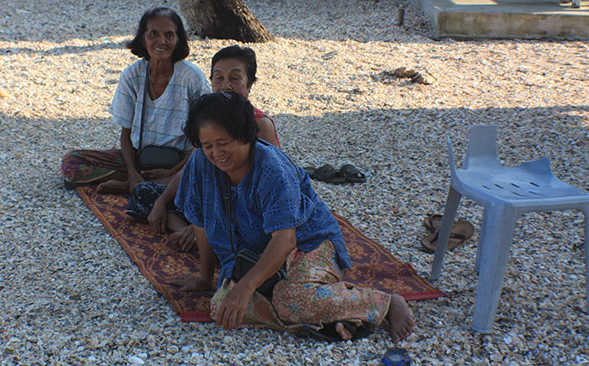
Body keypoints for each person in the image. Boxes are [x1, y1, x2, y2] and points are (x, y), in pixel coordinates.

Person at [173, 92, 414, 342]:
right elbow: (199, 222)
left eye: (223, 143)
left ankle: (385, 303)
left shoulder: (272, 168)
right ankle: (333, 317)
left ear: (244, 135)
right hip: (250, 253)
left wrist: (245, 288)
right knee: (220, 306)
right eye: (208, 145)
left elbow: (285, 240)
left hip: (307, 242)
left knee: (290, 301)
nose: (216, 153)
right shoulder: (200, 162)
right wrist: (205, 278)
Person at [126, 45, 278, 252]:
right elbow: (193, 167)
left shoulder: (260, 125)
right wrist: (162, 202)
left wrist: (207, 220)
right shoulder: (208, 119)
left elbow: (265, 188)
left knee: (252, 235)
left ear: (249, 84)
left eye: (235, 78)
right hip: (208, 197)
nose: (226, 85)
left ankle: (199, 237)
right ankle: (191, 234)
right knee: (144, 194)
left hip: (243, 206)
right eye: (218, 78)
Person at [60, 7, 211, 194]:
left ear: (178, 40)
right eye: (153, 33)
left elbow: (206, 135)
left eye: (169, 35)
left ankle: (156, 183)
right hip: (141, 160)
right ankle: (145, 183)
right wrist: (133, 172)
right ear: (143, 38)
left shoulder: (192, 77)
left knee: (209, 166)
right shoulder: (132, 76)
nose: (161, 41)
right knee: (72, 162)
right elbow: (126, 134)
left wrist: (174, 170)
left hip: (184, 160)